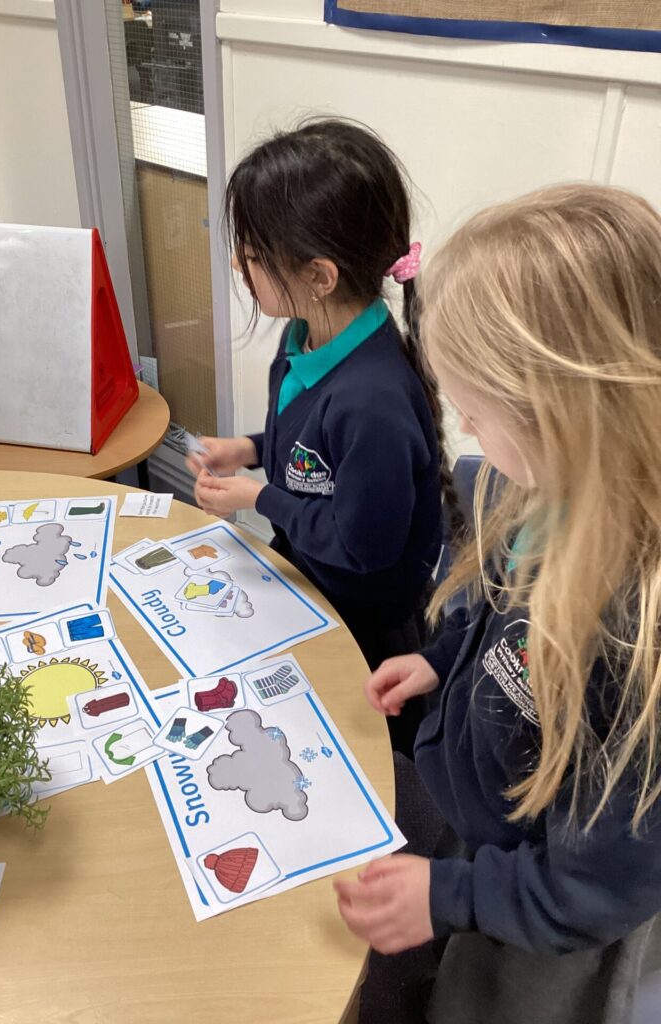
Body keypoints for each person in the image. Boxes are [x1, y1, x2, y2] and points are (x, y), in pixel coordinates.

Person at [336, 184, 661, 1023]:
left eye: (476, 411)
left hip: (555, 917)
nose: (466, 429)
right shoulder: (537, 491)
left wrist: (451, 898)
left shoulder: (635, 633)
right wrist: (441, 662)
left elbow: (597, 887)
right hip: (489, 825)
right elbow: (497, 621)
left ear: (568, 414)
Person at [186, 121, 457, 742]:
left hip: (363, 626)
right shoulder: (306, 334)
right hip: (308, 581)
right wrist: (250, 450)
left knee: (345, 752)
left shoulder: (372, 402)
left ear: (319, 276)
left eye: (254, 255)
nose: (239, 264)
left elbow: (365, 549)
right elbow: (314, 455)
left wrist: (260, 498)